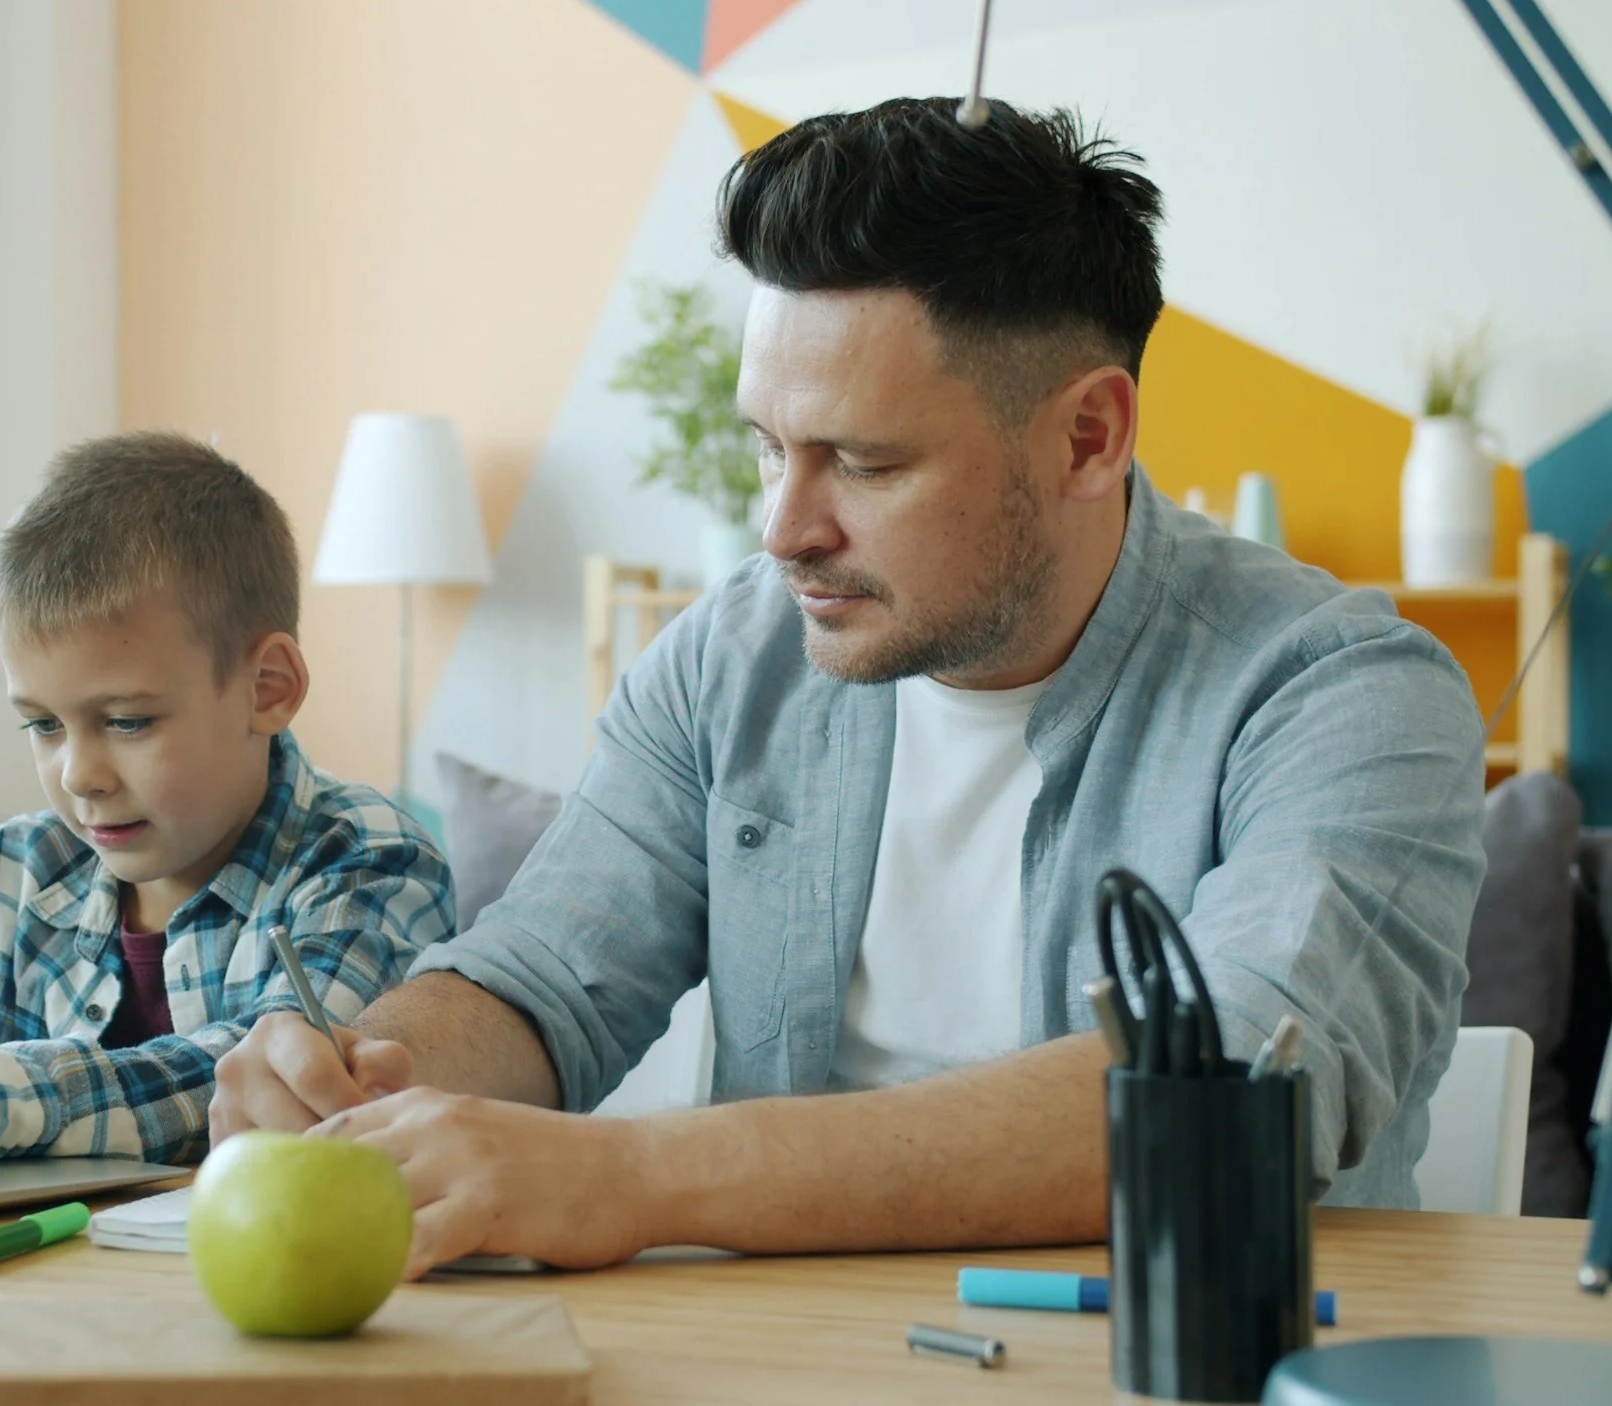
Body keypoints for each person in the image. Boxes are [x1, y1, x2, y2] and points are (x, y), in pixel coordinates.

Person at [208, 98, 1486, 1276]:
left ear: (1088, 436)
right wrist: (369, 1074)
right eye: (768, 448)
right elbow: (545, 970)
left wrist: (636, 1173)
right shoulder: (727, 657)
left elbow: (1223, 1092)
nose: (782, 528)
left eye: (862, 464)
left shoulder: (1343, 691)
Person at [0, 431, 455, 1167]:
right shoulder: (24, 866)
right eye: (42, 725)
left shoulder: (369, 862)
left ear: (269, 689)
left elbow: (264, 1081)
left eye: (127, 721)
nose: (79, 775)